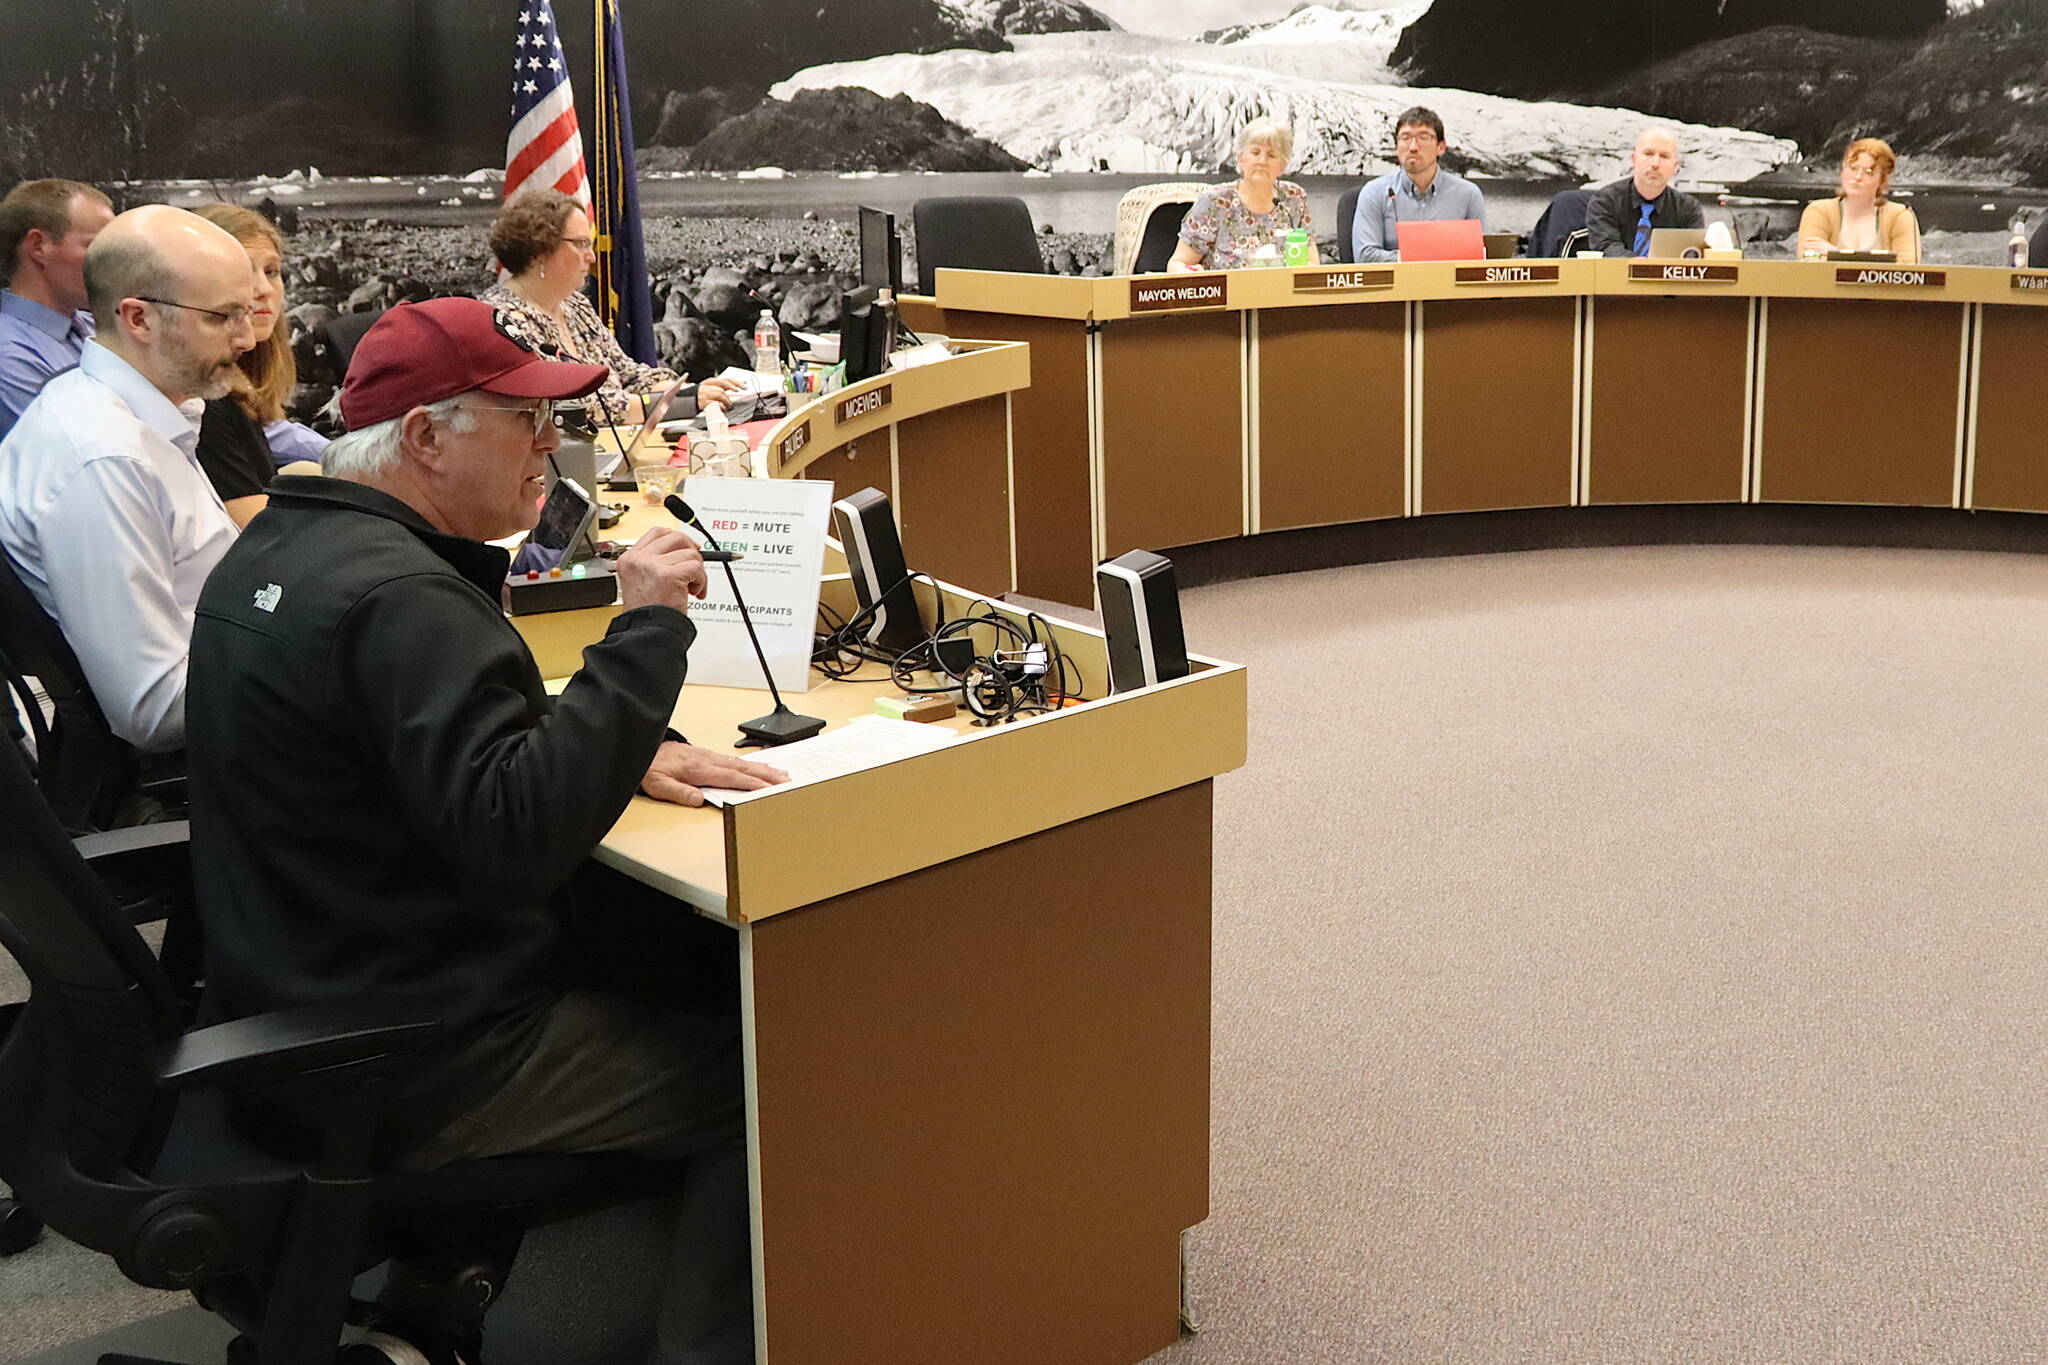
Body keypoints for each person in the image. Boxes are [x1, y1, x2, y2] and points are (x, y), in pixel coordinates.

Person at [186, 296, 787, 1365]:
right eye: (525, 420)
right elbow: (519, 841)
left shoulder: (287, 549)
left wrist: (604, 743)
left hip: (294, 992)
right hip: (422, 1051)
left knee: (674, 952)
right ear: (426, 436)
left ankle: (432, 1304)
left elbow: (403, 748)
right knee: (785, 1061)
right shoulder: (404, 599)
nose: (550, 445)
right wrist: (645, 630)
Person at [0, 204, 253, 755]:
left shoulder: (140, 415)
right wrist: (312, 659)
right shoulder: (105, 458)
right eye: (223, 317)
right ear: (139, 319)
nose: (248, 339)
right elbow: (153, 709)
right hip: (209, 757)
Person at [481, 189, 740, 425]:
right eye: (581, 244)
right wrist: (683, 403)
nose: (592, 256)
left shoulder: (575, 305)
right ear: (539, 251)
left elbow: (628, 374)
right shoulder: (503, 320)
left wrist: (689, 391)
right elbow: (572, 406)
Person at [188, 202, 327, 525]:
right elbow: (258, 534)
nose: (264, 289)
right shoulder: (206, 399)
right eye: (242, 272)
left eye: (272, 271)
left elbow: (275, 432)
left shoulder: (241, 376)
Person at [0, 178, 115, 440]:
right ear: (38, 246)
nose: (111, 264)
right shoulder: (10, 358)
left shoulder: (91, 324)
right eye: (97, 247)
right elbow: (89, 451)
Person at [1168, 118, 1314, 273]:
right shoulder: (1214, 201)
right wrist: (1194, 276)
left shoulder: (1294, 198)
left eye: (1272, 155)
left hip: (1282, 288)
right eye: (1255, 153)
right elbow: (1177, 264)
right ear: (1241, 158)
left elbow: (1312, 264)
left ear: (1282, 165)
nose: (1262, 161)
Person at [1350, 107, 1490, 264]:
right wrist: (1422, 259)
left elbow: (1481, 257)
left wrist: (1414, 258)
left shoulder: (1468, 195)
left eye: (1423, 138)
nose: (1413, 147)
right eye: (1405, 138)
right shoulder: (1375, 192)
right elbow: (1365, 256)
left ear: (1441, 147)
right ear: (1397, 147)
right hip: (1397, 280)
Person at [1585, 127, 1706, 258]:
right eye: (1648, 154)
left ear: (1675, 166)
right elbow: (1606, 247)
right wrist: (1642, 266)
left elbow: (1692, 256)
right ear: (1634, 160)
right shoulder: (1605, 201)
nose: (1655, 163)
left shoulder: (1688, 208)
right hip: (1617, 271)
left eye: (1664, 156)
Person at [1796, 137, 1921, 264]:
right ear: (1842, 171)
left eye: (1868, 172)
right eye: (1853, 168)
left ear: (1882, 180)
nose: (1858, 177)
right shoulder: (1819, 212)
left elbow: (1908, 266)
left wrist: (1836, 254)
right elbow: (1809, 260)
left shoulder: (1900, 216)